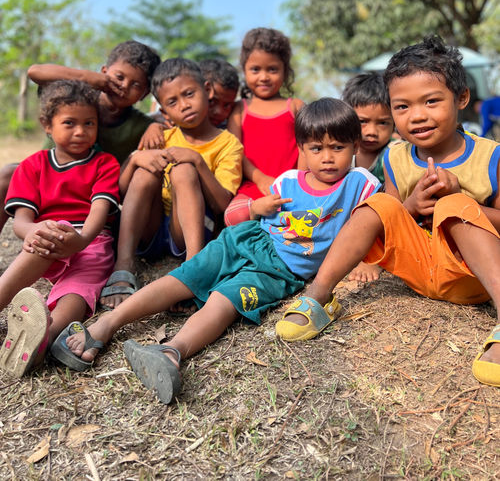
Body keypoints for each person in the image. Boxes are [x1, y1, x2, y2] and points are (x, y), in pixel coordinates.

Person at [52, 98, 380, 403]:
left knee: (226, 300)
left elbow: (379, 217)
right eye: (317, 148)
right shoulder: (287, 181)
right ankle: (107, 325)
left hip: (278, 271)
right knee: (184, 275)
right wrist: (255, 207)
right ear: (302, 149)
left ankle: (172, 352)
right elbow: (233, 216)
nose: (327, 157)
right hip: (243, 241)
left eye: (338, 147)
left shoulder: (360, 183)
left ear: (354, 147)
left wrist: (369, 260)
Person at [275, 36, 500, 388]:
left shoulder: (489, 156)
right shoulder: (395, 156)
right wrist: (411, 206)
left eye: (431, 101)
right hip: (418, 273)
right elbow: (392, 218)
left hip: (469, 276)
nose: (417, 116)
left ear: (461, 98)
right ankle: (318, 296)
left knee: (455, 205)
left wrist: (461, 201)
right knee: (378, 202)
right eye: (402, 106)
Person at [99, 58, 243, 310]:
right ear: (164, 112)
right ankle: (123, 264)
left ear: (207, 90)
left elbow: (222, 205)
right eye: (173, 102)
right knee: (144, 170)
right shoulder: (160, 137)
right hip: (150, 230)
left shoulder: (228, 143)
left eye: (189, 94)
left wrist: (197, 162)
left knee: (184, 170)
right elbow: (121, 194)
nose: (185, 105)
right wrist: (134, 160)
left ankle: (194, 266)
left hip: (187, 231)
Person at [0, 80, 120, 377]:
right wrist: (36, 232)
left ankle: (43, 338)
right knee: (49, 233)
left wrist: (79, 241)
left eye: (89, 123)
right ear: (47, 125)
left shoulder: (104, 164)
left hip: (90, 244)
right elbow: (22, 222)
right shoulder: (33, 165)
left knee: (78, 295)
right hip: (48, 241)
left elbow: (99, 212)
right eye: (70, 123)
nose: (80, 131)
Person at [0, 40, 160, 237]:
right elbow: (35, 72)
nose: (124, 86)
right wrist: (88, 78)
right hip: (48, 184)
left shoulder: (140, 125)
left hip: (91, 199)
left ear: (145, 94)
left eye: (136, 85)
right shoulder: (75, 99)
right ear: (104, 71)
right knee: (8, 173)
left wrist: (156, 124)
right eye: (119, 76)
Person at [224, 28, 304, 225]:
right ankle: (259, 213)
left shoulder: (295, 107)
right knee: (232, 217)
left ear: (285, 71)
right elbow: (235, 151)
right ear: (244, 70)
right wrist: (260, 178)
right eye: (255, 69)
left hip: (291, 188)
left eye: (272, 69)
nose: (264, 77)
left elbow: (307, 148)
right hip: (253, 187)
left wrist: (300, 183)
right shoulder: (239, 109)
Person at [342, 72, 395, 282]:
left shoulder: (393, 153)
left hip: (379, 227)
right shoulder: (340, 152)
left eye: (383, 123)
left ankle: (374, 259)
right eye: (363, 122)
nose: (371, 131)